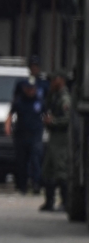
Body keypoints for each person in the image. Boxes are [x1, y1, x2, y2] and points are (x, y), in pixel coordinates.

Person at [5, 77, 45, 195]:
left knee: (35, 160)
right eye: (28, 88)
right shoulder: (19, 101)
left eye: (32, 89)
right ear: (24, 88)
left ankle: (36, 184)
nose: (30, 91)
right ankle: (22, 186)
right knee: (21, 161)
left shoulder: (40, 102)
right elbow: (10, 114)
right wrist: (8, 126)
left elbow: (47, 115)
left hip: (35, 136)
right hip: (21, 136)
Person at [41, 71, 71, 212]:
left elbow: (67, 119)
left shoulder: (64, 98)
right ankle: (49, 201)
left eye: (54, 80)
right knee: (48, 170)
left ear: (61, 80)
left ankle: (65, 202)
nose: (51, 83)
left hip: (61, 139)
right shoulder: (54, 96)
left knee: (61, 171)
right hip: (53, 137)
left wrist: (53, 121)